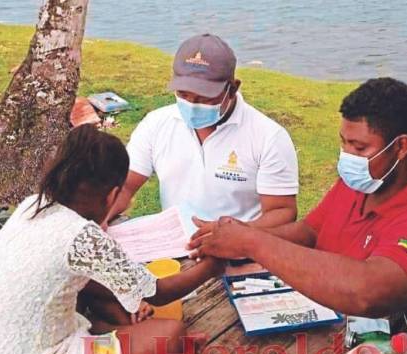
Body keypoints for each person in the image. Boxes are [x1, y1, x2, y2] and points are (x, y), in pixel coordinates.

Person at [0, 125, 223, 354]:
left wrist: (130, 296)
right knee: (169, 337)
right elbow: (160, 292)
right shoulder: (82, 236)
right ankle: (114, 336)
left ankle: (112, 328)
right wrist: (213, 264)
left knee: (108, 294)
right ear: (114, 194)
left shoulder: (33, 205)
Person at [189, 77, 407, 328]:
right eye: (343, 143)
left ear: (400, 147)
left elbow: (368, 294)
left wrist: (251, 242)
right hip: (321, 325)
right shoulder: (360, 182)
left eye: (358, 148)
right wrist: (240, 235)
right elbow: (311, 231)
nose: (346, 156)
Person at [105, 34, 299, 228]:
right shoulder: (156, 124)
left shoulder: (268, 137)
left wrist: (234, 238)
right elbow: (125, 187)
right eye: (183, 94)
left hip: (240, 249)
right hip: (175, 243)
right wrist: (99, 220)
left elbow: (282, 212)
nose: (192, 104)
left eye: (205, 98)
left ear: (232, 89)